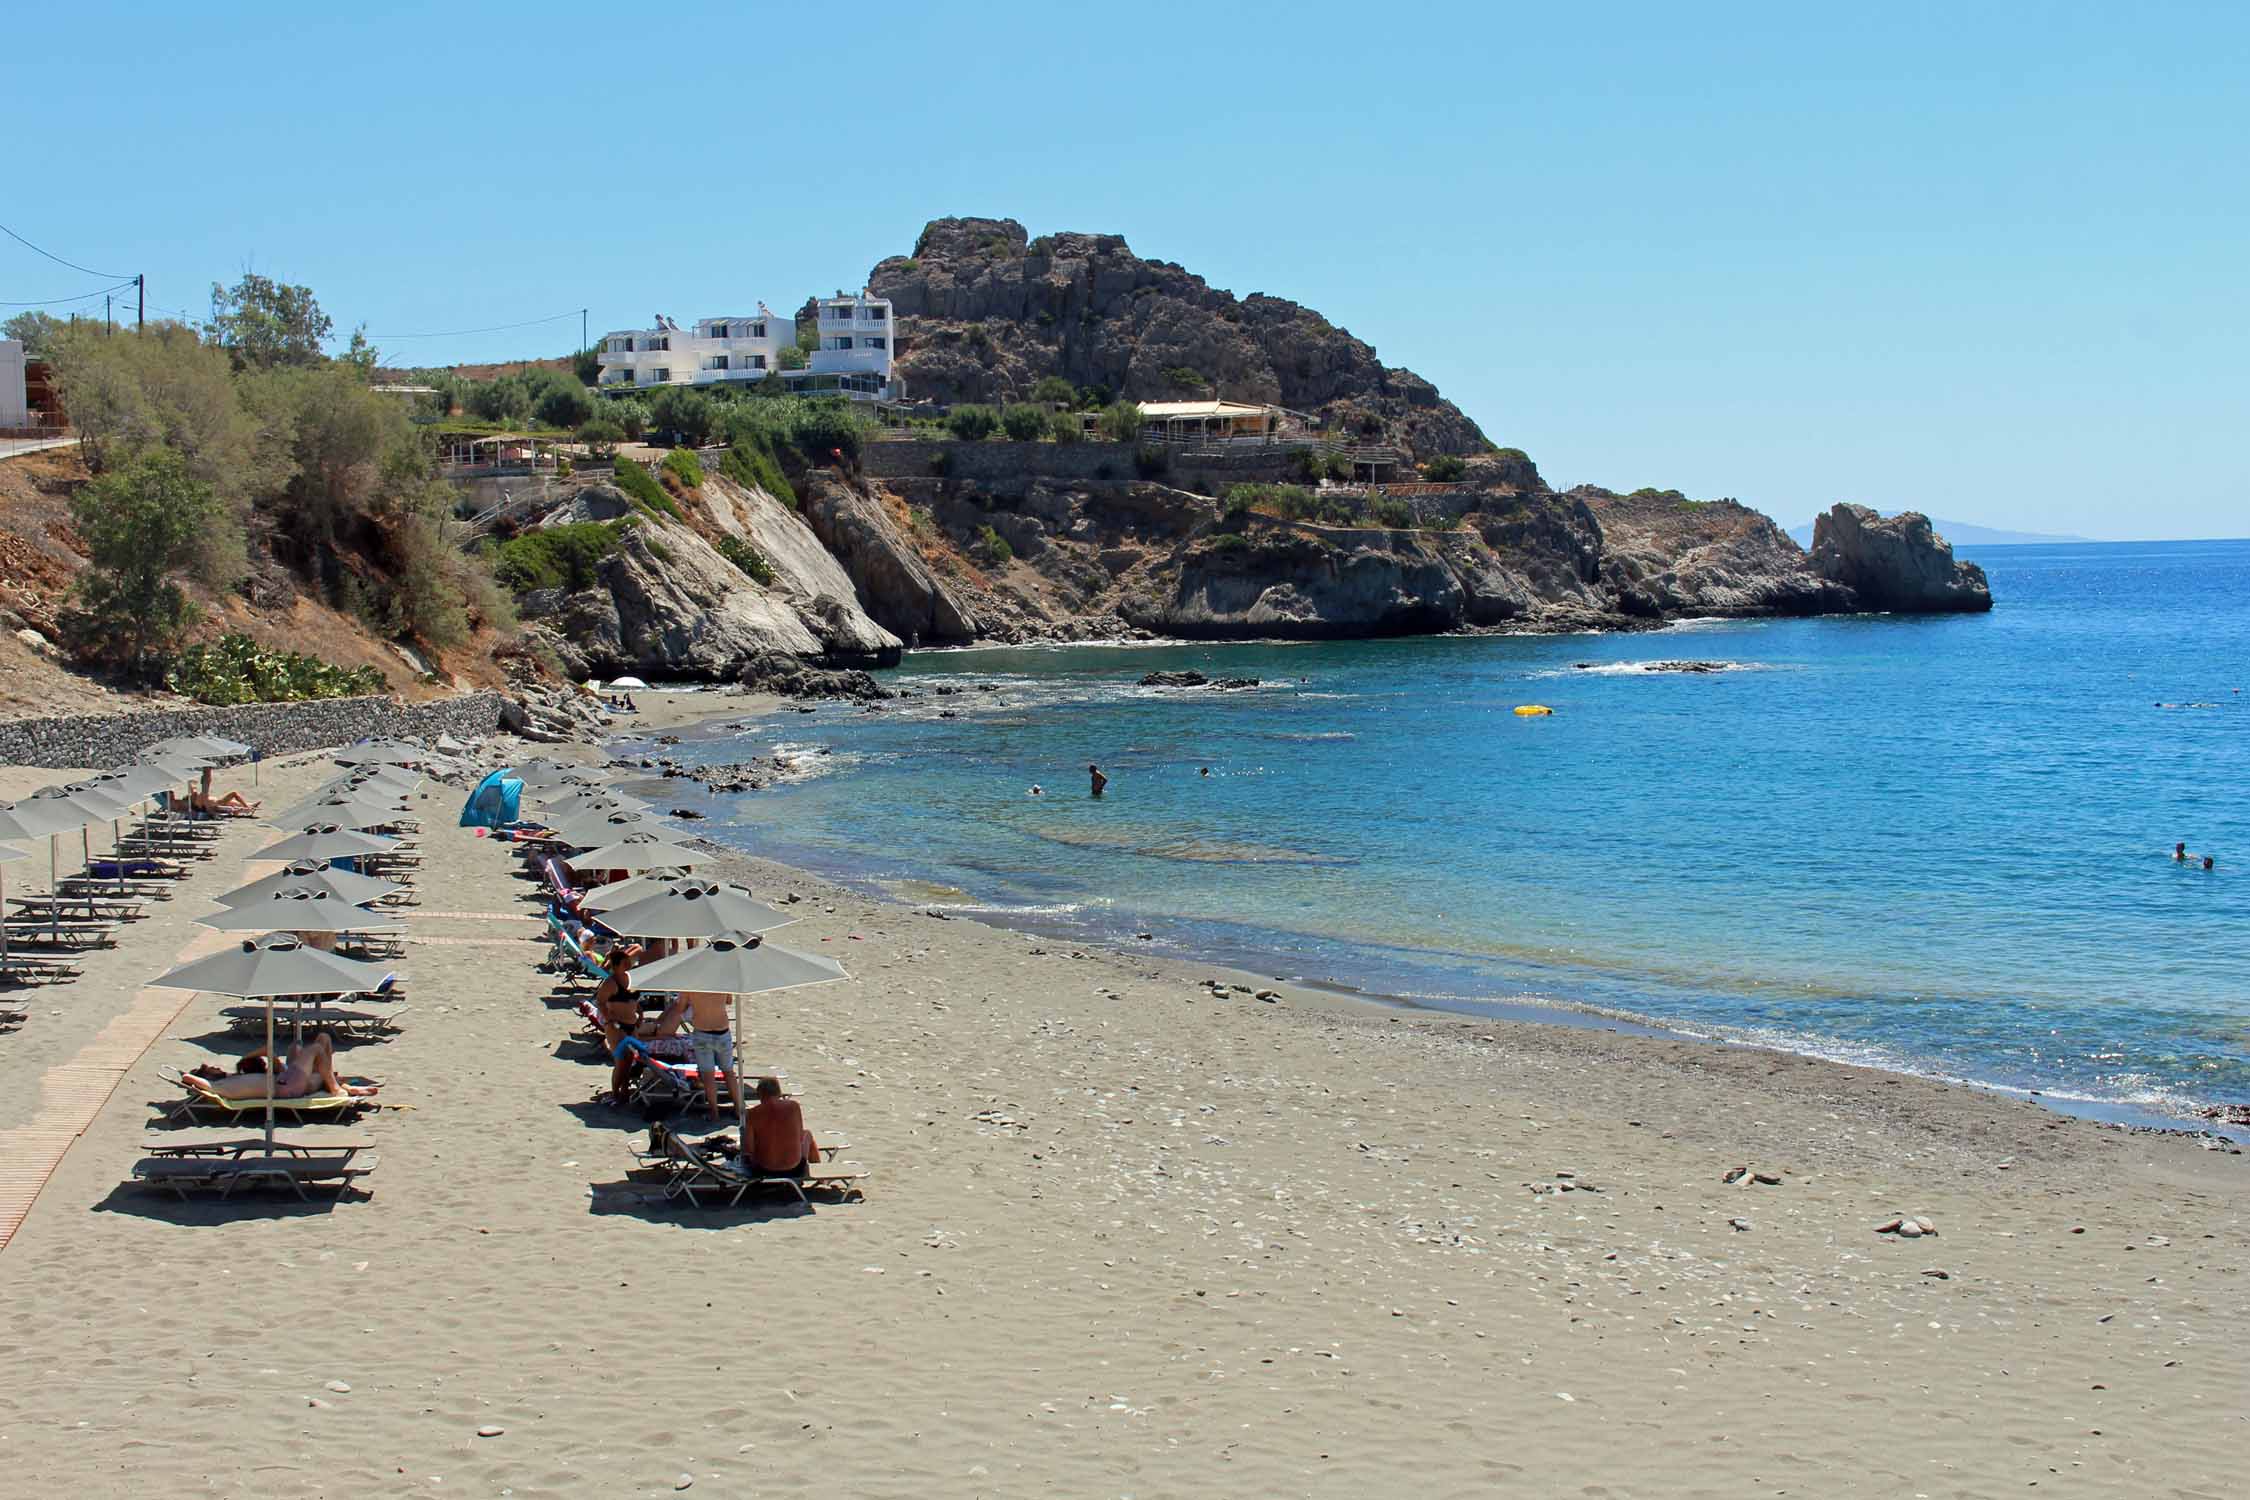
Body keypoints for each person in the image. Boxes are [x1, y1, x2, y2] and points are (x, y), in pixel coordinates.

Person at [185, 1032, 376, 1101]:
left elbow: (269, 1053)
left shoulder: (234, 1078)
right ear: (207, 1077)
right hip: (287, 1086)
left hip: (286, 1080)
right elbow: (187, 1078)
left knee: (318, 1040)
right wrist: (245, 1058)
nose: (215, 1067)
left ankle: (340, 1084)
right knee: (317, 1048)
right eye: (210, 1069)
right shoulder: (219, 1087)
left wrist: (245, 1061)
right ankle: (336, 1087)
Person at [678, 988, 741, 1122]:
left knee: (708, 1075)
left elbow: (680, 1009)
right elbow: (728, 1001)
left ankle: (714, 1113)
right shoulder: (722, 982)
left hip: (702, 1032)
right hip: (722, 1031)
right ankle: (738, 1108)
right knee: (729, 1072)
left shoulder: (689, 984)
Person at [742, 1076, 818, 1176]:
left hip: (763, 1169)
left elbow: (749, 1149)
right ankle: (818, 1171)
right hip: (793, 1168)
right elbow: (799, 1137)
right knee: (807, 1134)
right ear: (779, 1092)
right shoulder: (793, 1106)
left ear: (760, 1094)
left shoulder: (753, 1113)